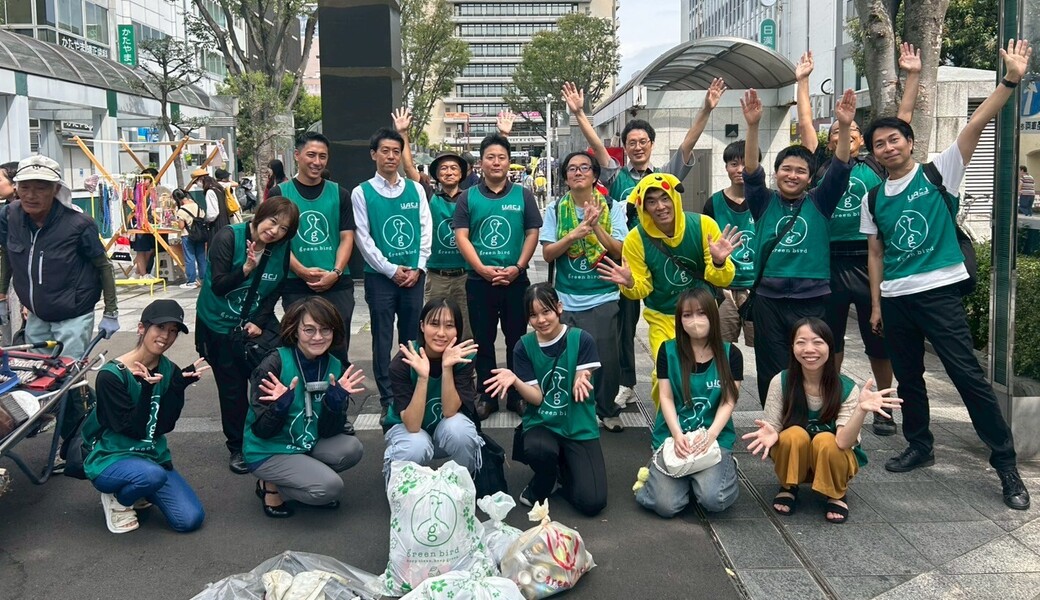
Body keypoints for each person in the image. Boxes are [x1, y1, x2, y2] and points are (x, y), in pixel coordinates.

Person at [860, 39, 1032, 510]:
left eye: (894, 139)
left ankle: (1005, 465)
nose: (888, 146)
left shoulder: (939, 173)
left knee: (966, 377)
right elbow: (875, 254)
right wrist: (876, 304)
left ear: (909, 142)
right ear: (874, 154)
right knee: (909, 378)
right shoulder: (873, 197)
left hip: (938, 295)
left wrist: (1012, 79)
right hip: (895, 298)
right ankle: (919, 444)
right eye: (879, 143)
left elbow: (976, 122)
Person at [564, 78, 725, 409]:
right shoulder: (615, 176)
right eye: (631, 142)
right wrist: (580, 114)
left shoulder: (665, 176)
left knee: (676, 322)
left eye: (643, 141)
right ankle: (626, 382)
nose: (637, 146)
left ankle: (687, 382)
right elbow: (596, 145)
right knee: (624, 325)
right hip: (628, 260)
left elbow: (687, 145)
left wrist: (707, 108)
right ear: (624, 147)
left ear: (651, 144)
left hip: (665, 263)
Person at [795, 45, 921, 436]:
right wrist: (802, 82)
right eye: (835, 132)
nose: (841, 135)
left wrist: (912, 77)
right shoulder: (820, 167)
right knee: (828, 343)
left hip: (868, 261)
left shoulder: (874, 165)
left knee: (878, 342)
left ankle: (884, 406)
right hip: (828, 262)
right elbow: (804, 126)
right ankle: (830, 405)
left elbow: (901, 123)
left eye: (848, 132)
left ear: (861, 141)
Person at [741, 87, 857, 404]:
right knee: (771, 368)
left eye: (800, 171)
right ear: (777, 172)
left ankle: (811, 419)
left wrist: (844, 126)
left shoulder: (821, 202)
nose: (792, 175)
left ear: (809, 178)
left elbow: (841, 167)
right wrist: (752, 126)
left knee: (811, 365)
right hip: (768, 301)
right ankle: (775, 422)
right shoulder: (763, 202)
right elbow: (751, 172)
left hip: (812, 300)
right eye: (786, 169)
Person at [596, 173, 739, 407]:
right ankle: (668, 428)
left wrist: (720, 262)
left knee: (704, 373)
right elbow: (642, 289)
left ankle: (702, 425)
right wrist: (630, 283)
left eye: (665, 197)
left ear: (675, 197)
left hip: (703, 314)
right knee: (663, 374)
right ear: (643, 207)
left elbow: (720, 278)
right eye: (651, 201)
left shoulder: (703, 225)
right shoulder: (636, 240)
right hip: (662, 316)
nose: (660, 206)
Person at [743, 318, 901, 523]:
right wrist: (773, 431)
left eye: (817, 342)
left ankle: (835, 492)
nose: (809, 349)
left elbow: (844, 442)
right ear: (792, 347)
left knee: (826, 440)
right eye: (801, 342)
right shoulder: (781, 381)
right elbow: (772, 426)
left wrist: (861, 410)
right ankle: (789, 485)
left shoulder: (846, 387)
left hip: (833, 459)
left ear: (829, 347)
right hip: (796, 458)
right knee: (792, 434)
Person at [81, 299, 209, 534]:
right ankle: (118, 500)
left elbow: (164, 426)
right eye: (160, 328)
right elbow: (130, 428)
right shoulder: (111, 376)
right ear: (142, 328)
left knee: (190, 519)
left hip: (151, 458)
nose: (166, 337)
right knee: (152, 475)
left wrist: (178, 386)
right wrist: (147, 390)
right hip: (112, 458)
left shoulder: (169, 369)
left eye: (173, 331)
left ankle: (140, 488)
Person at [195, 197, 300, 474]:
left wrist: (258, 321)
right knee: (232, 391)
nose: (275, 231)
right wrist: (245, 269)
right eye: (273, 221)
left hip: (254, 322)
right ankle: (238, 447)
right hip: (217, 325)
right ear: (261, 214)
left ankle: (272, 433)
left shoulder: (280, 247)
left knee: (275, 375)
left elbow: (275, 289)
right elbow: (217, 286)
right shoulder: (229, 237)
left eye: (283, 229)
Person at [485, 283, 606, 516]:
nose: (541, 320)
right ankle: (544, 479)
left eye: (546, 311)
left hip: (578, 426)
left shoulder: (582, 339)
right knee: (538, 449)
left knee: (593, 502)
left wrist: (582, 377)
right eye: (533, 315)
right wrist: (515, 380)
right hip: (543, 424)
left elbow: (584, 372)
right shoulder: (523, 346)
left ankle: (565, 471)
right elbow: (538, 398)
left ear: (559, 308)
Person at [244, 297, 366, 518]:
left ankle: (302, 475)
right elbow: (261, 431)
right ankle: (270, 485)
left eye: (325, 329)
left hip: (305, 440)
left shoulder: (335, 365)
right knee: (330, 488)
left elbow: (329, 431)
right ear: (295, 330)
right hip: (270, 449)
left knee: (352, 448)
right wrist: (279, 407)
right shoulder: (274, 363)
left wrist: (334, 404)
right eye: (309, 330)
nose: (318, 337)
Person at [453, 133, 543, 419]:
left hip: (516, 281)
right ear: (481, 162)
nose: (496, 162)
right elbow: (462, 236)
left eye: (501, 157)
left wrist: (517, 267)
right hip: (480, 282)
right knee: (483, 339)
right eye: (490, 157)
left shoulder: (523, 195)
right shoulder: (469, 196)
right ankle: (488, 394)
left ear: (508, 162)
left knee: (518, 338)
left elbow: (532, 232)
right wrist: (480, 268)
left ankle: (517, 393)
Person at [0, 155, 120, 361]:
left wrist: (111, 312)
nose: (31, 195)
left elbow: (104, 266)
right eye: (25, 187)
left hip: (73, 313)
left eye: (41, 188)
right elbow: (8, 253)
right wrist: (1, 295)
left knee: (67, 372)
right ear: (16, 188)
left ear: (56, 189)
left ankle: (77, 393)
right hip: (37, 312)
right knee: (38, 374)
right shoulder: (10, 215)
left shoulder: (78, 224)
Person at [635, 288, 742, 517]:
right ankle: (671, 477)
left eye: (702, 313)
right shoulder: (668, 350)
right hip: (674, 435)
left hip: (713, 438)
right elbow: (666, 396)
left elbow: (728, 402)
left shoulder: (731, 354)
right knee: (665, 506)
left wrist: (711, 435)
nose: (695, 321)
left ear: (713, 315)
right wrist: (676, 434)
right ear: (679, 319)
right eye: (687, 315)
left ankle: (716, 470)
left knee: (715, 499)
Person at [541, 151, 628, 432]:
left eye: (584, 168)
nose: (578, 173)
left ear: (594, 175)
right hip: (567, 297)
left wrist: (596, 229)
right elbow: (548, 254)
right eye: (572, 169)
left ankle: (606, 409)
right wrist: (574, 234)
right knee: (568, 359)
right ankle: (571, 408)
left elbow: (620, 249)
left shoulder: (612, 206)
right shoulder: (555, 209)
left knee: (607, 358)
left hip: (603, 294)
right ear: (565, 177)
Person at [352, 127, 433, 422]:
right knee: (382, 338)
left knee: (413, 337)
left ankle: (411, 391)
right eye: (384, 151)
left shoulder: (415, 189)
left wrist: (419, 266)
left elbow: (426, 228)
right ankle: (388, 397)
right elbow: (363, 237)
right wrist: (390, 269)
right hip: (380, 278)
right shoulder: (362, 193)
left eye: (396, 151)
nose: (390, 156)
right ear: (374, 154)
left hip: (414, 275)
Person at [274, 132, 358, 367]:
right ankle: (300, 400)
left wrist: (336, 272)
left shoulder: (339, 194)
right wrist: (301, 270)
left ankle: (337, 397)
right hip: (295, 283)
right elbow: (277, 241)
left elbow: (347, 237)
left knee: (337, 346)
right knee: (300, 345)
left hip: (337, 285)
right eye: (311, 155)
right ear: (297, 155)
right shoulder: (280, 194)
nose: (317, 162)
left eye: (323, 156)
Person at [383, 298, 482, 481]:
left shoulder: (464, 358)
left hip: (443, 432)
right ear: (422, 325)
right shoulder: (404, 362)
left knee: (460, 430)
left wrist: (447, 368)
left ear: (458, 330)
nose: (441, 333)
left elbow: (450, 410)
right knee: (416, 444)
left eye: (449, 325)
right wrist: (422, 378)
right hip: (408, 431)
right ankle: (400, 485)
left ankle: (462, 486)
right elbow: (412, 426)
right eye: (434, 324)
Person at [395, 109, 472, 339]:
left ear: (462, 173)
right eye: (444, 169)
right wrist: (403, 133)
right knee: (433, 325)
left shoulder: (470, 198)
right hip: (437, 275)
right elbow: (409, 168)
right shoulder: (428, 195)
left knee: (466, 327)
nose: (449, 172)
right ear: (436, 174)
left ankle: (466, 371)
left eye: (454, 168)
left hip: (464, 275)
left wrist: (502, 135)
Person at [702, 141, 757, 347]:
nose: (740, 170)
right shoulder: (713, 203)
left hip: (757, 287)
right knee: (721, 347)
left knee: (764, 347)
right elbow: (706, 245)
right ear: (725, 167)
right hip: (723, 288)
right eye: (734, 164)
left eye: (746, 164)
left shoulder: (767, 200)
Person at [0, 161, 23, 344]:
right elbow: (6, 252)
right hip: (12, 279)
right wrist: (2, 291)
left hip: (30, 280)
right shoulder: (5, 212)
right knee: (10, 335)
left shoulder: (30, 211)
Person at [130, 167, 160, 279]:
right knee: (141, 249)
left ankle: (139, 272)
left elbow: (152, 209)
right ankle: (143, 273)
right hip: (138, 223)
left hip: (148, 223)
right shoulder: (137, 191)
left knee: (150, 249)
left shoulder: (151, 192)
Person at [174, 188, 207, 289]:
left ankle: (191, 281)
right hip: (200, 235)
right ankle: (204, 279)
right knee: (201, 257)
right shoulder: (197, 206)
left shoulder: (181, 210)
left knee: (190, 258)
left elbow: (181, 226)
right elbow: (203, 217)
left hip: (187, 236)